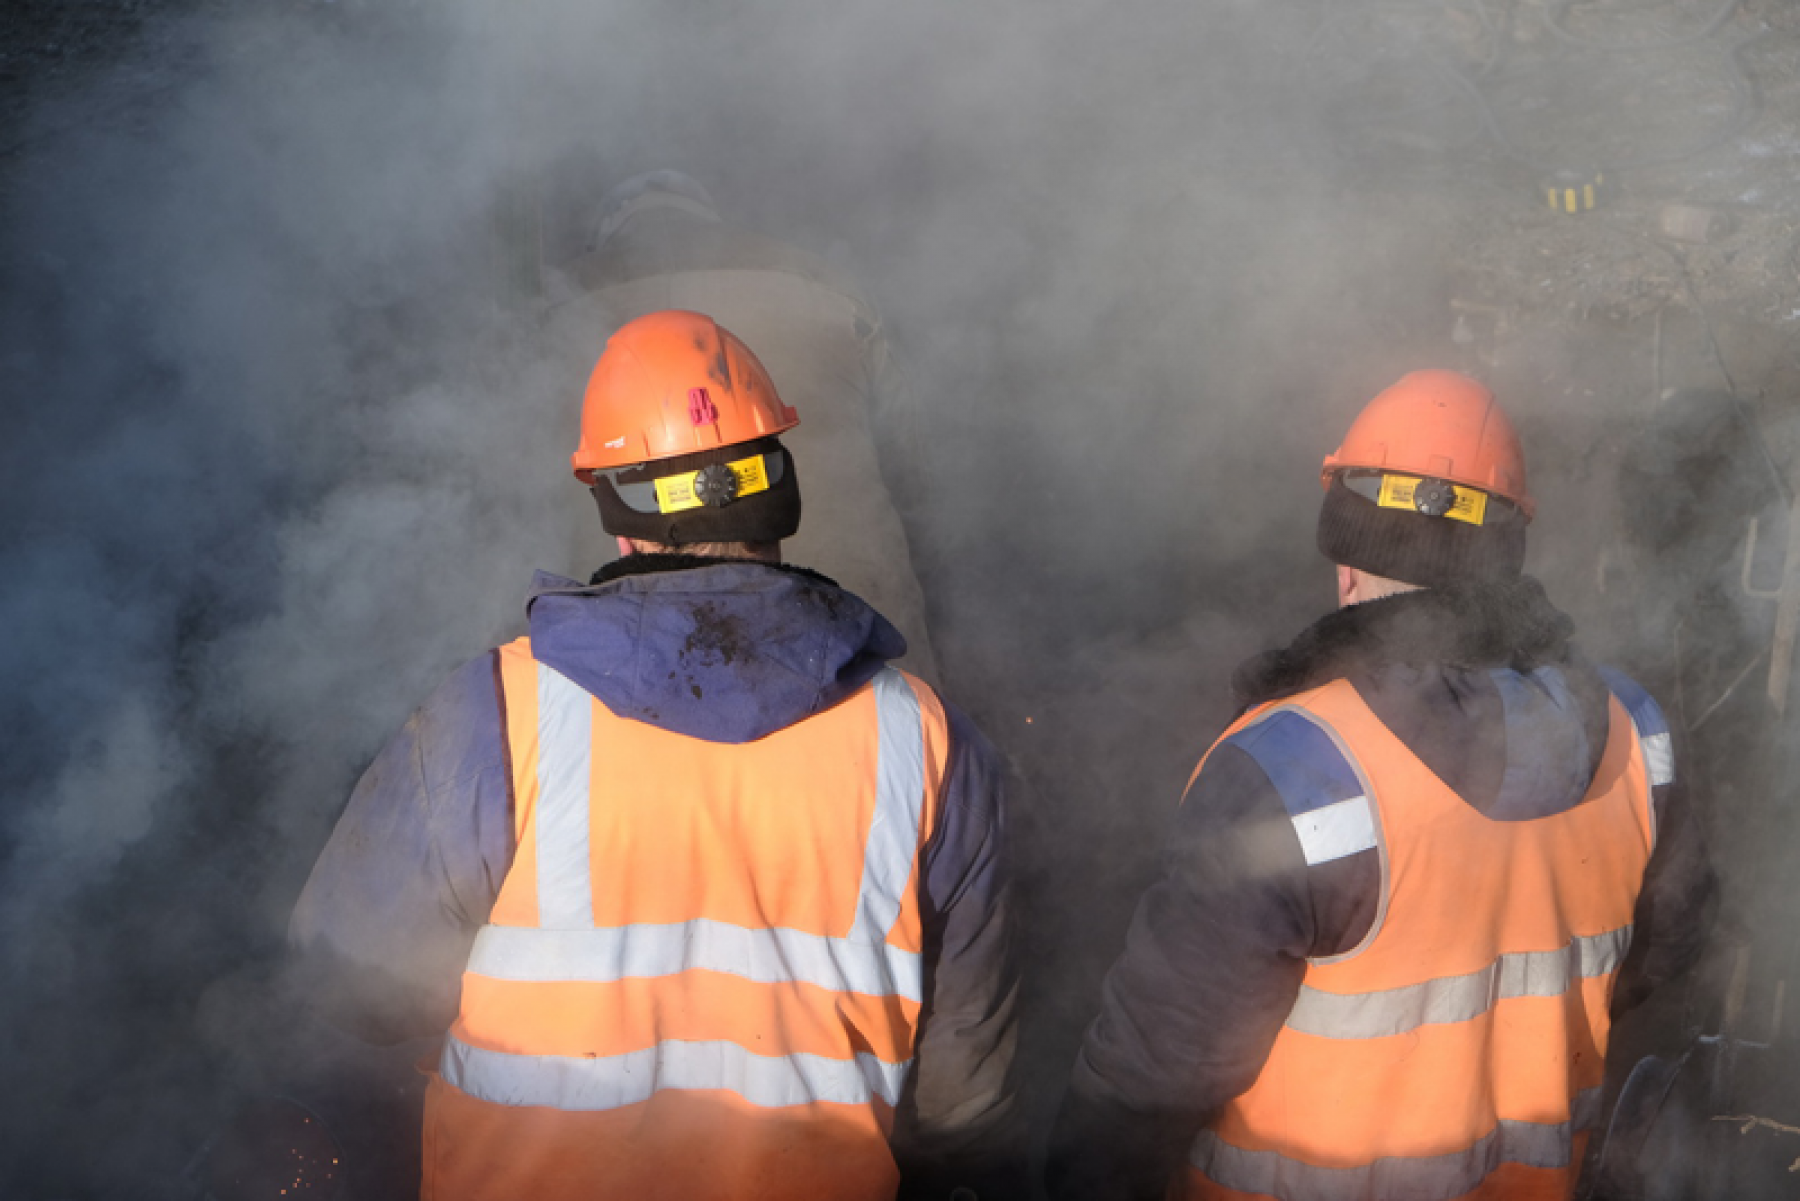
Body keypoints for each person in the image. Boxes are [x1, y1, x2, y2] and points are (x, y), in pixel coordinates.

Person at [290, 309, 1021, 1200]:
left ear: (615, 509)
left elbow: (346, 978)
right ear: (780, 489)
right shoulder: (929, 741)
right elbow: (962, 1091)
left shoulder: (496, 712)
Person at [1046, 370, 1717, 1201]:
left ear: (1348, 562)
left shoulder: (1290, 768)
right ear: (1507, 556)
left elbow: (1151, 1079)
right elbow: (1668, 948)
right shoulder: (1635, 730)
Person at [546, 169, 942, 683]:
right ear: (711, 218)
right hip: (859, 630)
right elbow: (912, 460)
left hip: (628, 654)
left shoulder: (554, 308)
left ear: (607, 235)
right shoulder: (818, 278)